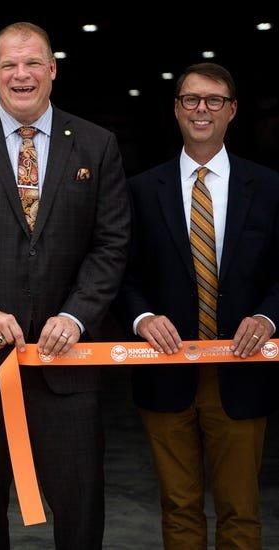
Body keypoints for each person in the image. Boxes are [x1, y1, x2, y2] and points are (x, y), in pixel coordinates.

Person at [0, 21, 131, 550]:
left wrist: (76, 316)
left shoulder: (97, 145)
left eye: (33, 62)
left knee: (81, 511)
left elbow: (112, 244)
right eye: (9, 64)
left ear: (52, 70)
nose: (22, 74)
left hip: (69, 363)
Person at [119, 63, 279, 550]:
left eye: (214, 100)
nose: (201, 109)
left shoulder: (269, 186)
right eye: (191, 99)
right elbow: (122, 274)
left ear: (232, 110)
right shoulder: (141, 189)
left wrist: (268, 317)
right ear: (176, 109)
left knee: (241, 510)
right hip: (165, 368)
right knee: (179, 508)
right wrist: (143, 318)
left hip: (242, 369)